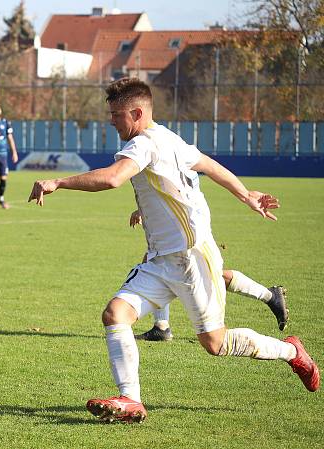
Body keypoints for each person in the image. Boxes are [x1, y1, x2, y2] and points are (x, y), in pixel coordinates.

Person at [29, 78, 319, 423]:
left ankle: (292, 351)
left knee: (216, 344)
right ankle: (130, 399)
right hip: (160, 260)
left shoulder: (143, 144)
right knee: (115, 314)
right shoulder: (170, 138)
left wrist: (57, 181)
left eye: (116, 115)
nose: (111, 121)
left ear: (136, 113)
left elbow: (112, 178)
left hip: (191, 258)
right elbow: (208, 165)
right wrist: (245, 195)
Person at [127, 209, 289, 341]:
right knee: (155, 263)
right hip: (182, 224)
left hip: (186, 227)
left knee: (201, 275)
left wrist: (144, 210)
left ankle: (269, 296)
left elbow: (174, 191)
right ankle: (161, 326)